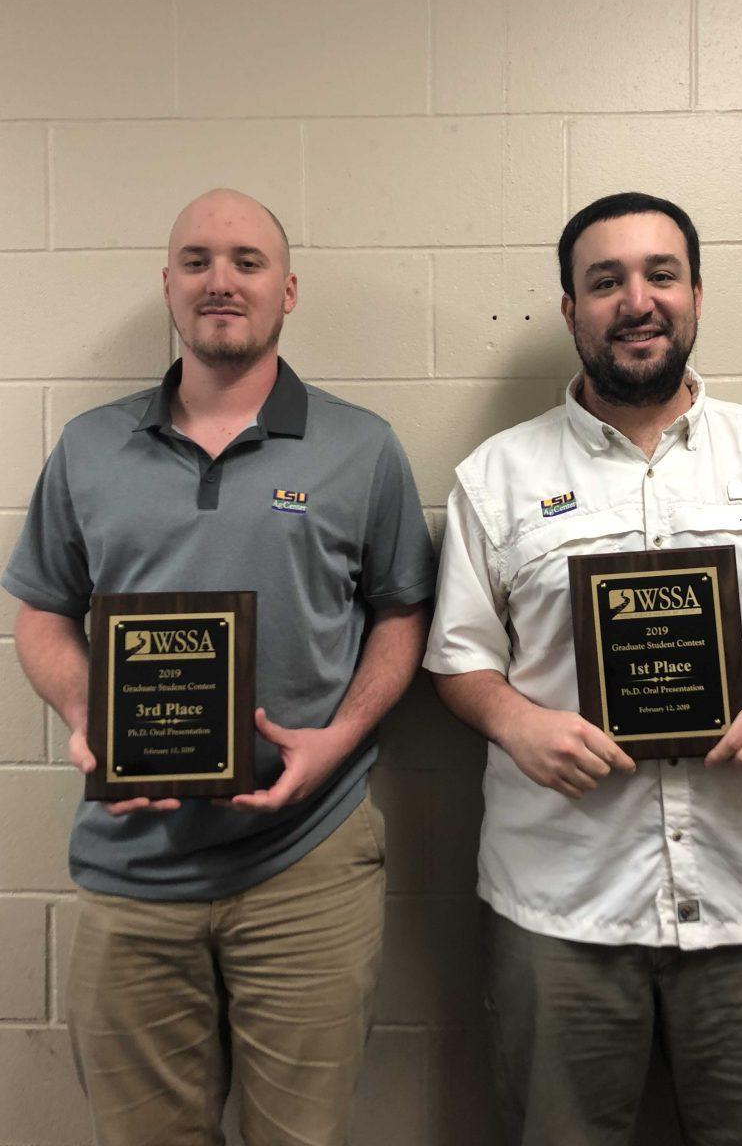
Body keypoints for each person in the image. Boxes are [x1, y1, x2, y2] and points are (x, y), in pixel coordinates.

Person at [423, 192, 742, 1146]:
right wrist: (517, 723)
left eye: (660, 275)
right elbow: (461, 661)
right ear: (570, 311)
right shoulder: (495, 478)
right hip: (562, 907)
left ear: (697, 295)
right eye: (606, 281)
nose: (637, 301)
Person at [3, 189, 434, 1146]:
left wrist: (342, 738)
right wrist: (89, 716)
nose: (220, 281)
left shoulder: (361, 447)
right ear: (168, 284)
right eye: (196, 260)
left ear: (288, 289)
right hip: (129, 870)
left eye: (246, 260)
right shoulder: (88, 447)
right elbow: (42, 611)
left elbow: (402, 611)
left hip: (307, 866)